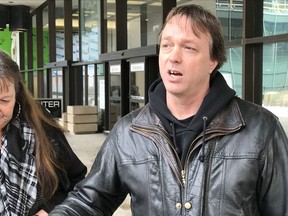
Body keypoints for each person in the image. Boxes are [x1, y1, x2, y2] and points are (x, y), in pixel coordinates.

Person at [50, 4, 288, 216]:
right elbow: (90, 201)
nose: (173, 57)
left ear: (213, 61)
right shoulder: (128, 132)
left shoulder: (261, 129)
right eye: (167, 45)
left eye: (189, 48)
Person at [0, 49, 87, 216]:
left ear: (16, 95)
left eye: (4, 100)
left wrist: (48, 210)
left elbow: (77, 180)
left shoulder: (39, 124)